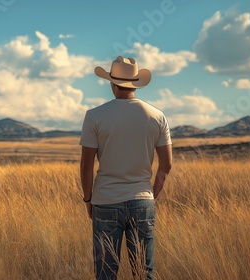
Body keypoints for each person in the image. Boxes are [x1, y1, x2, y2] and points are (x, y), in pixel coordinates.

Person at [79, 56, 173, 280]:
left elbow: (86, 164)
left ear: (112, 83)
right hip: (142, 201)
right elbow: (166, 165)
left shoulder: (94, 116)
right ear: (136, 83)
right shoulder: (157, 116)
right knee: (143, 273)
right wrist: (149, 195)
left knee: (106, 273)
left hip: (105, 201)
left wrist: (87, 199)